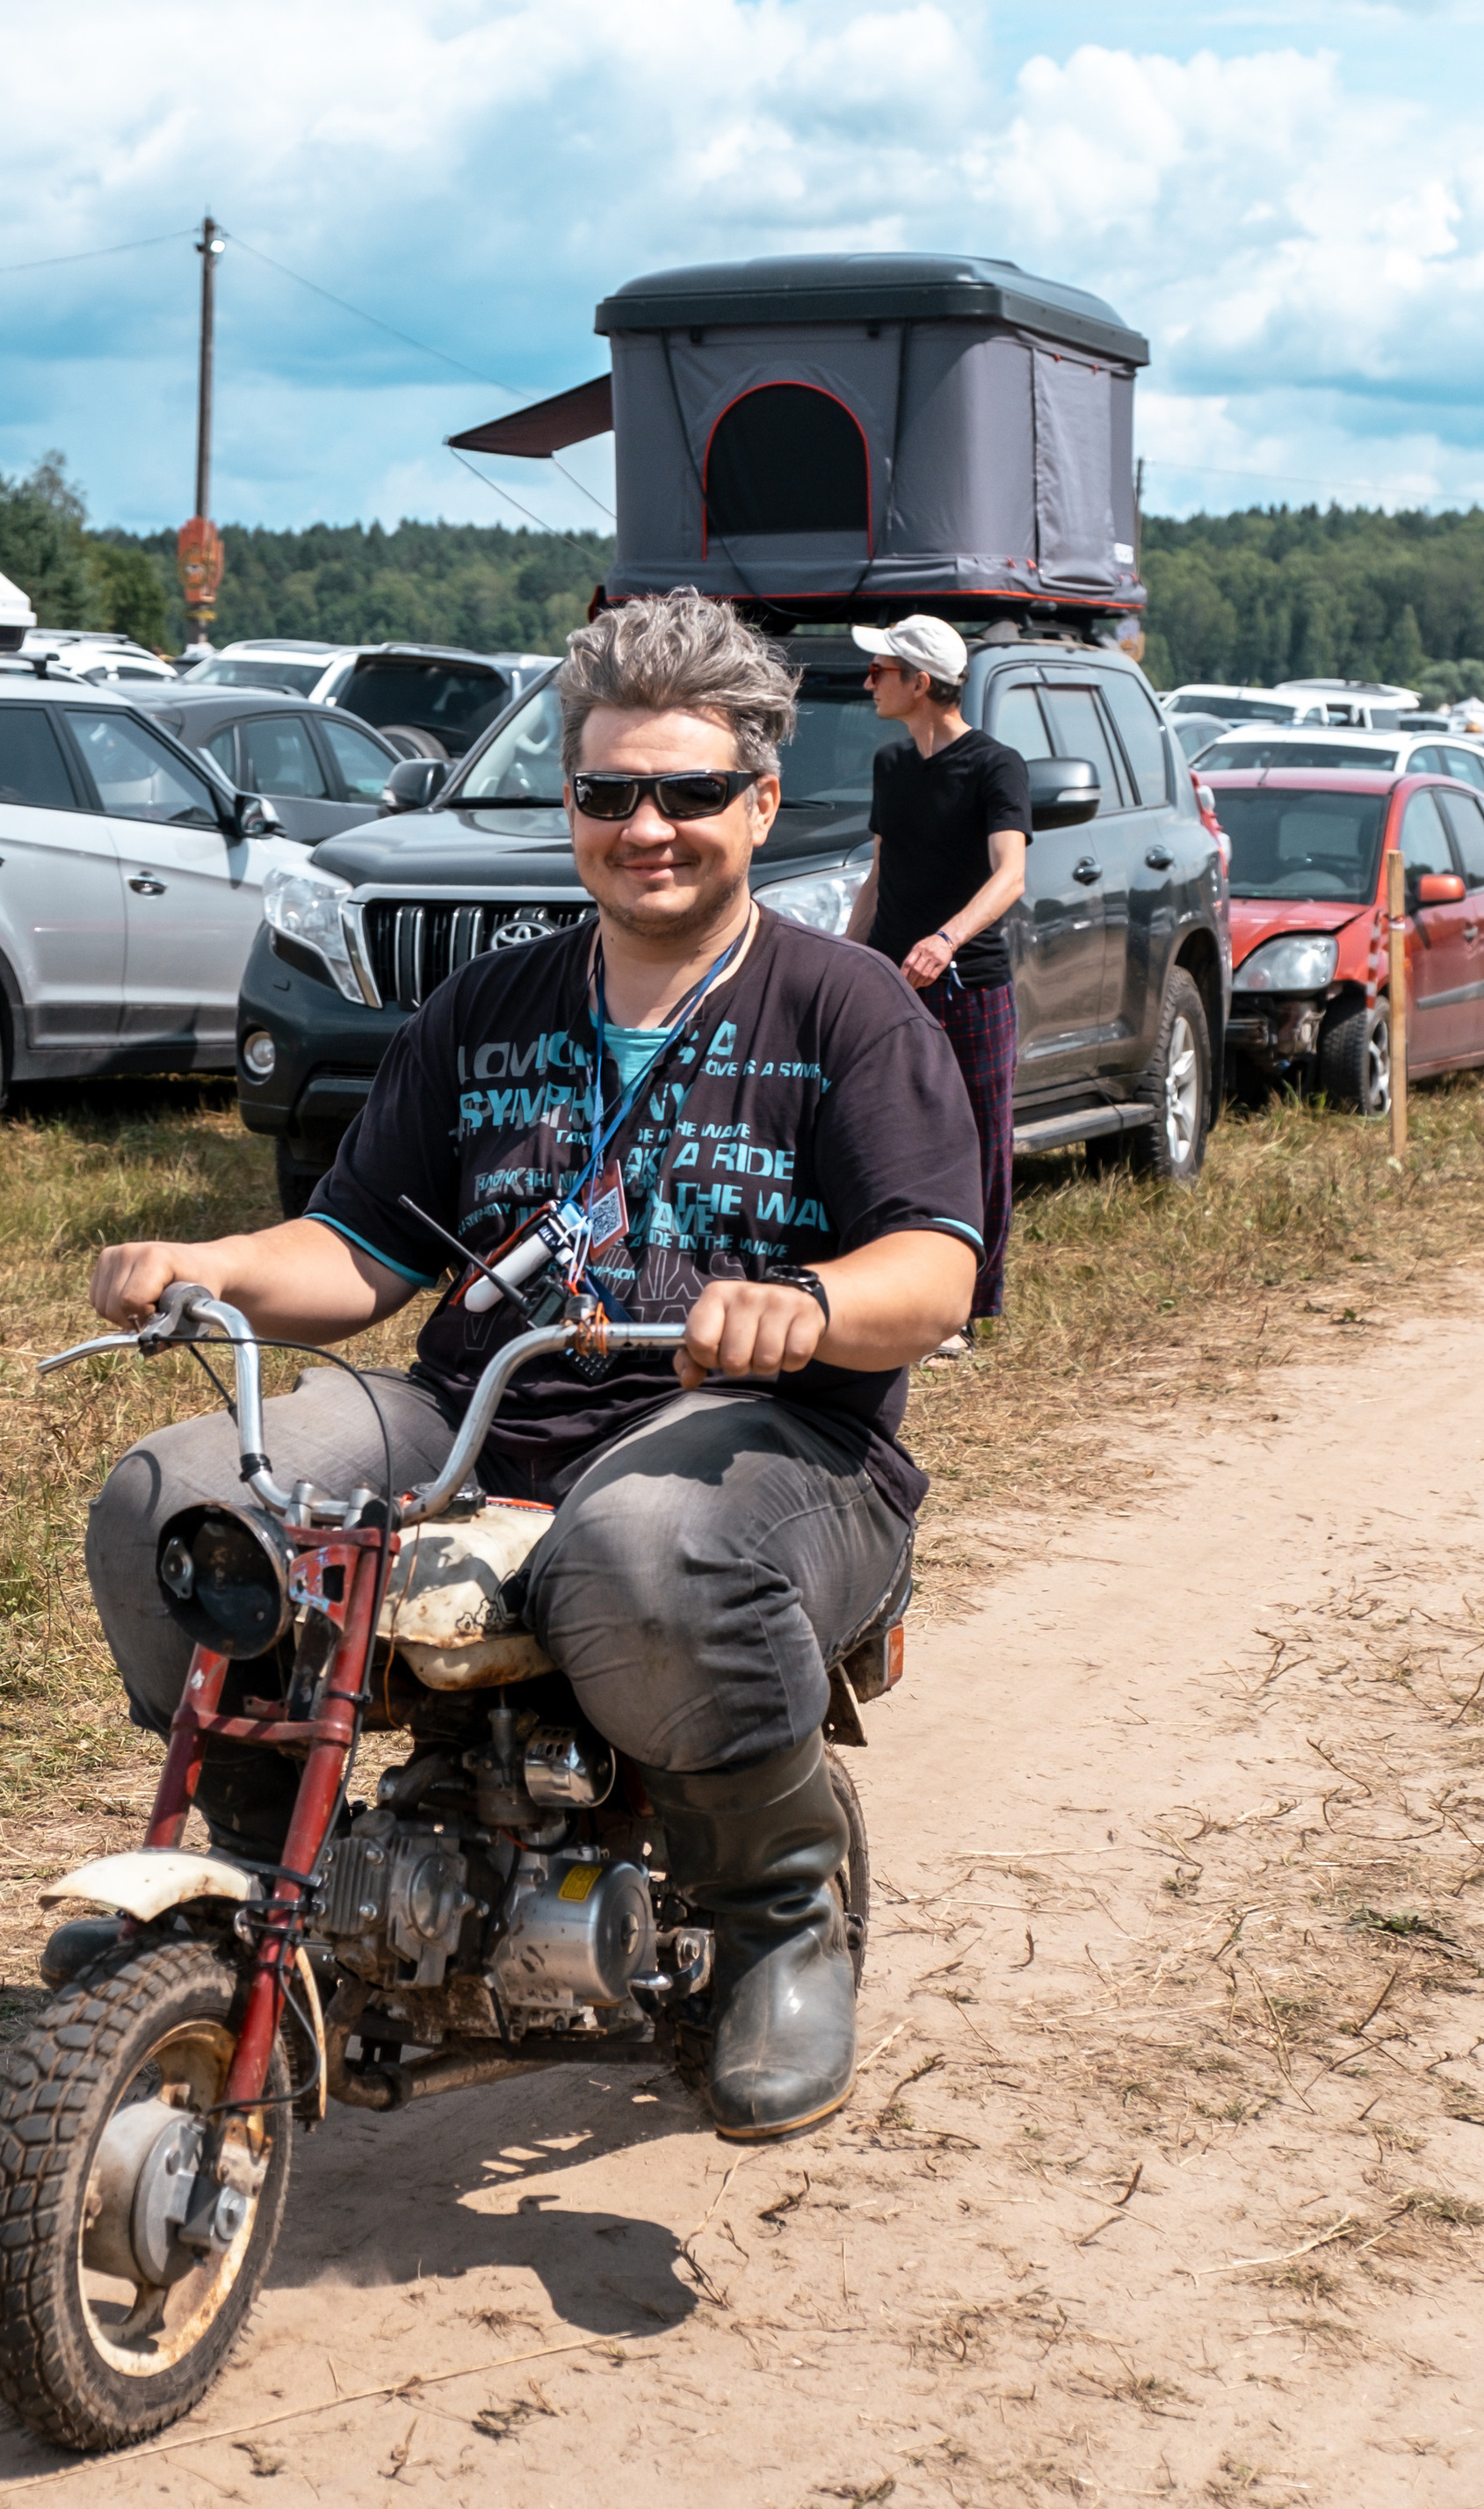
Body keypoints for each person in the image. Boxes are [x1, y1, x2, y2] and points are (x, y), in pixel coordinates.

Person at [83, 590, 982, 2146]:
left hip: (766, 1447)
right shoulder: (488, 1003)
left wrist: (811, 1304)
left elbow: (939, 1269)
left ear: (762, 803)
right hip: (470, 1412)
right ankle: (247, 1884)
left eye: (692, 792)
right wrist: (218, 1265)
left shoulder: (848, 1007)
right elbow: (357, 1254)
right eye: (610, 791)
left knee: (639, 1550)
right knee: (175, 1491)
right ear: (568, 801)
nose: (650, 826)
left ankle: (780, 1918)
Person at [846, 615, 1029, 1359]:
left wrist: (948, 938)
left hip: (968, 981)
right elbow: (882, 873)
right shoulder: (891, 763)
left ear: (920, 682)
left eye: (880, 670)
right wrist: (848, 962)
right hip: (892, 981)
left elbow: (1010, 876)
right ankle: (893, 1290)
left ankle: (963, 1305)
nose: (868, 682)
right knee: (889, 1135)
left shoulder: (995, 766)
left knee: (979, 1138)